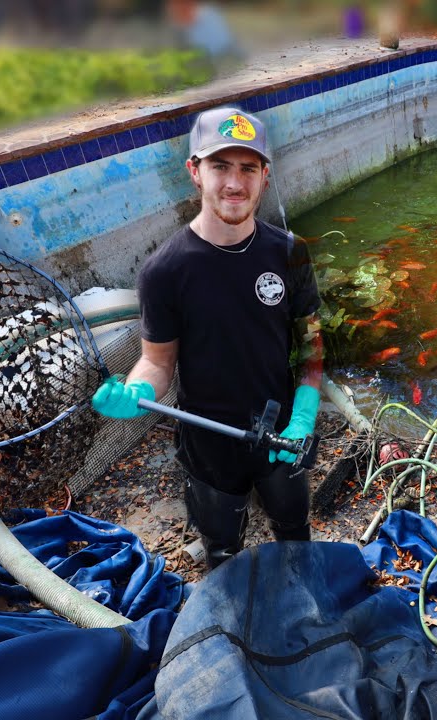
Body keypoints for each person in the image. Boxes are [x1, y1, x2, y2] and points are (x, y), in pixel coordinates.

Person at [92, 106, 323, 569]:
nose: (234, 183)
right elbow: (157, 362)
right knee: (222, 548)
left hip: (283, 434)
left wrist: (304, 417)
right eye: (220, 166)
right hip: (208, 443)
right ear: (194, 172)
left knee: (295, 532)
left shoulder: (292, 253)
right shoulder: (164, 271)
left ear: (265, 176)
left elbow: (312, 348)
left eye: (248, 168)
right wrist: (137, 390)